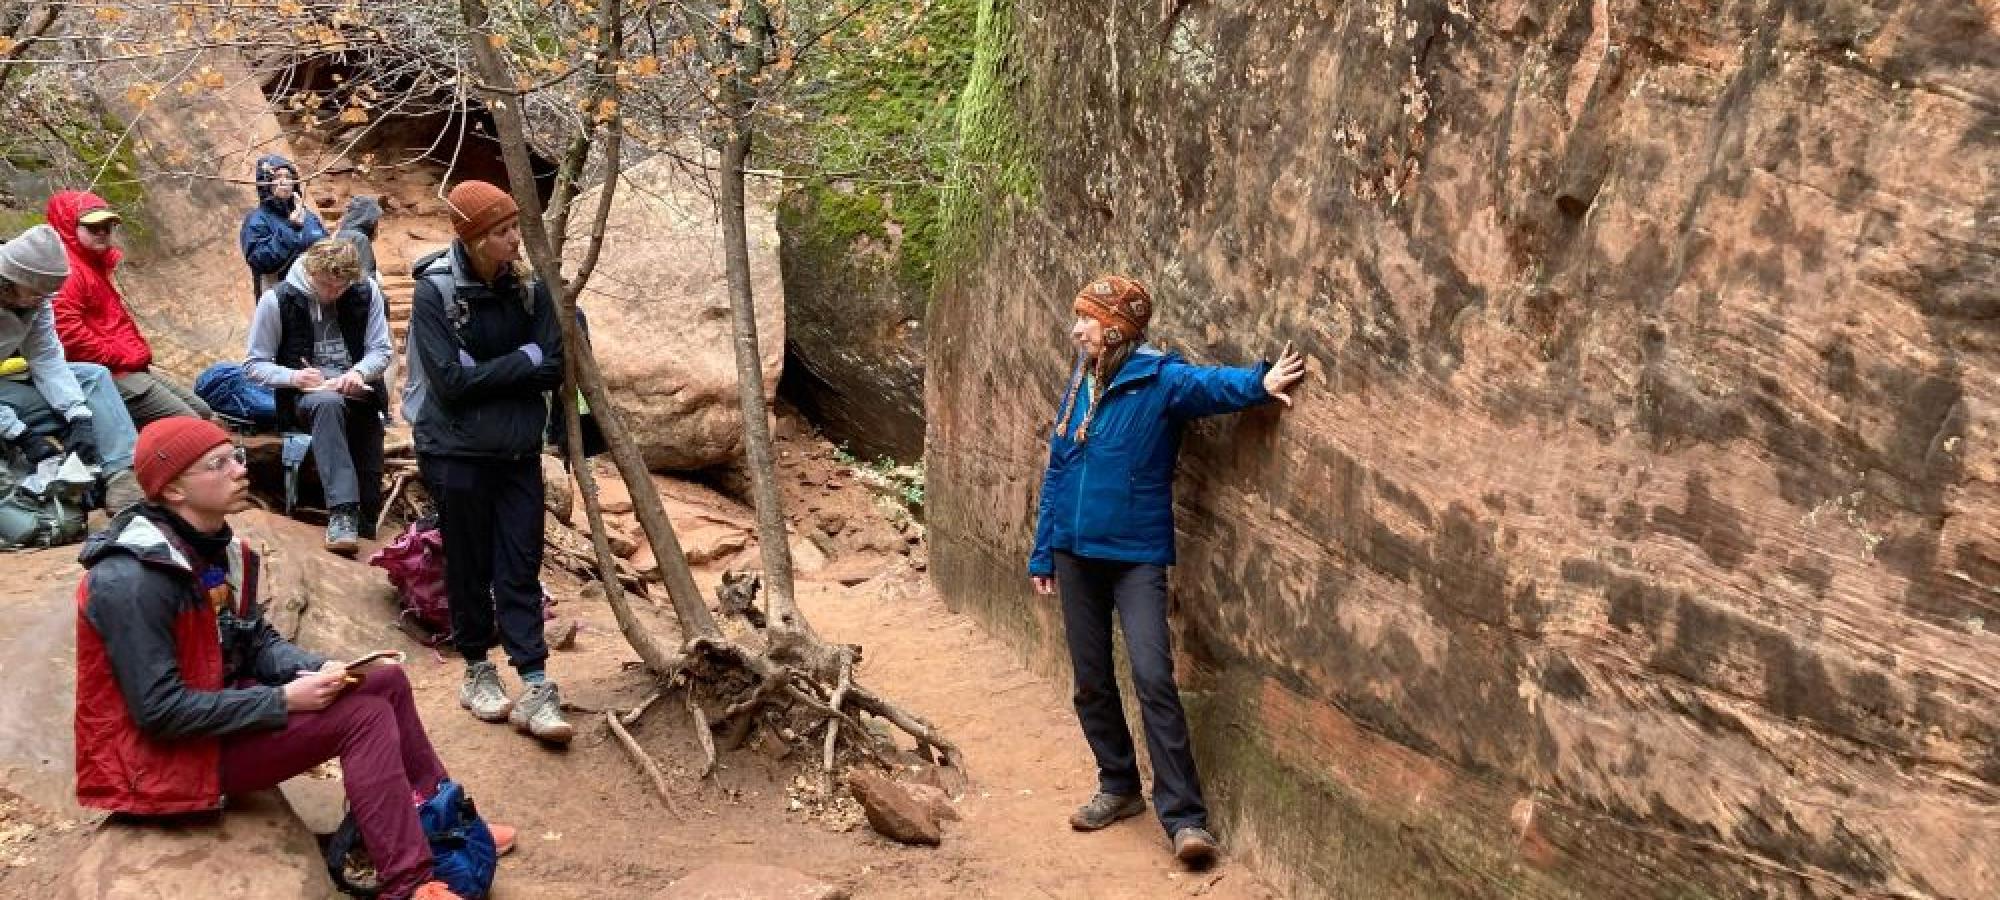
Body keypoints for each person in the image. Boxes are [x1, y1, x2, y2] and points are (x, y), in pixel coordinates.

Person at [73, 416, 514, 900]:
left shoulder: (216, 548)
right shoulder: (133, 580)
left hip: (216, 719)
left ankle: (439, 820)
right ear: (174, 490)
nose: (240, 470)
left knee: (382, 682)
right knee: (362, 717)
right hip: (160, 762)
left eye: (235, 456)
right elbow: (159, 712)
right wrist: (284, 700)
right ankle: (407, 883)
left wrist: (319, 669)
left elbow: (256, 640)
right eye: (218, 464)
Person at [1026, 275, 1306, 869]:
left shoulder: (1160, 378)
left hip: (1135, 557)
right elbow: (1058, 468)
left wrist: (1260, 381)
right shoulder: (1080, 381)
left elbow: (1212, 385)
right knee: (1091, 679)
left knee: (1154, 676)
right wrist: (1043, 550)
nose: (1076, 329)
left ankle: (1184, 818)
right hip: (1075, 555)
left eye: (1086, 320)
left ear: (1115, 328)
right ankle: (1119, 785)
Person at [406, 180, 571, 744]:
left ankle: (536, 681)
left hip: (518, 451)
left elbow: (551, 365)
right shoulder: (435, 294)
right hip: (454, 451)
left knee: (520, 565)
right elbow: (449, 384)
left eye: (514, 227)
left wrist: (494, 369)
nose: (514, 241)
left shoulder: (531, 290)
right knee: (469, 566)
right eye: (502, 232)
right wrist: (519, 359)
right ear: (474, 238)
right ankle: (477, 669)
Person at [244, 239, 391, 554]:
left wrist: (359, 373)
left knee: (370, 504)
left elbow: (381, 350)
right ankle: (342, 513)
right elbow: (254, 364)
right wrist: (294, 377)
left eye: (340, 287)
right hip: (308, 396)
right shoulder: (277, 300)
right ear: (310, 272)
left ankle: (361, 517)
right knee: (327, 402)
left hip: (358, 391)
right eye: (324, 285)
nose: (331, 294)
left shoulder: (366, 293)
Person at [0, 223, 143, 510]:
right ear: (9, 280)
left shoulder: (37, 300)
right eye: (37, 291)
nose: (44, 299)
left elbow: (46, 358)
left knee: (92, 377)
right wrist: (20, 434)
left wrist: (78, 416)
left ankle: (122, 475)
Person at [45, 190, 215, 426]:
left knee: (203, 411)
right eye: (93, 227)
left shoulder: (93, 265)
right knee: (192, 424)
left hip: (125, 366)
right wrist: (122, 357)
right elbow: (68, 335)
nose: (103, 232)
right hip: (107, 372)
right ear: (69, 226)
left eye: (107, 226)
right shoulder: (70, 271)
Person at [238, 154, 327, 299]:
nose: (284, 181)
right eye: (278, 177)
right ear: (266, 183)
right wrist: (291, 228)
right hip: (278, 301)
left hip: (314, 299)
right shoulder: (256, 219)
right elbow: (261, 261)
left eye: (288, 176)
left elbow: (326, 248)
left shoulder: (308, 216)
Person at [334, 194, 383, 283]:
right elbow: (366, 279)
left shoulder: (341, 233)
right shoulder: (359, 239)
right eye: (376, 221)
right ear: (369, 220)